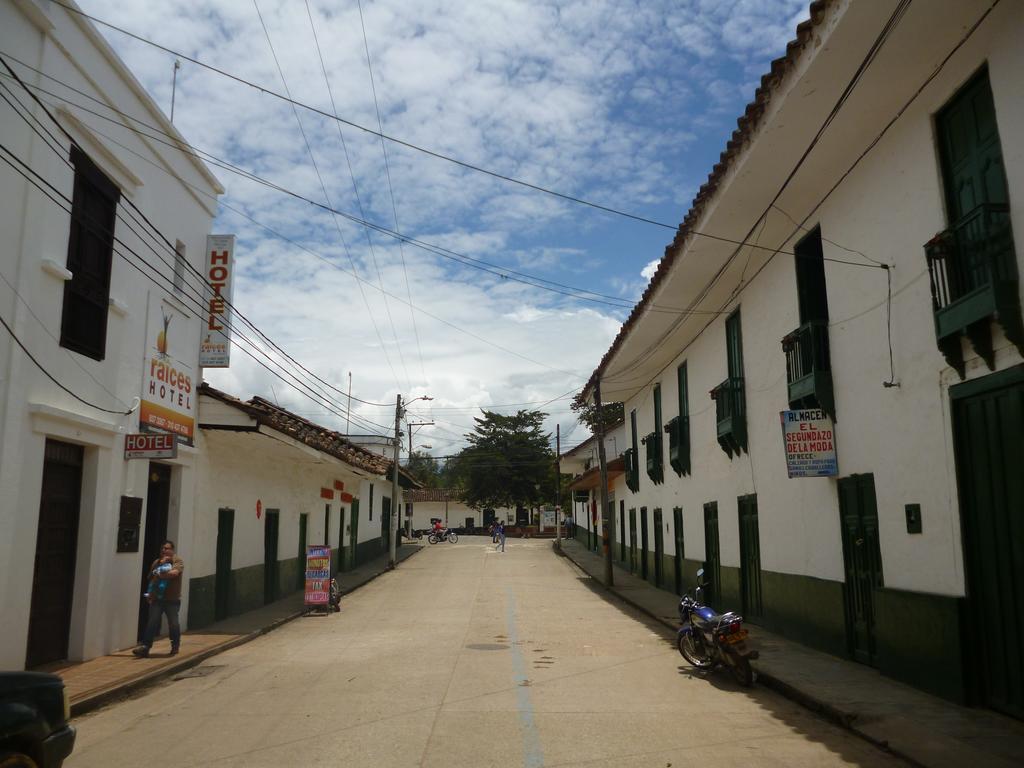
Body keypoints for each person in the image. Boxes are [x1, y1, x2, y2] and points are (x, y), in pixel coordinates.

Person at [133, 540, 184, 658]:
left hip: (172, 599)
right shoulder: (157, 562)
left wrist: (160, 574)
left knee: (173, 623)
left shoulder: (178, 561)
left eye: (167, 548)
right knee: (152, 622)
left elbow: (174, 574)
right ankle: (145, 647)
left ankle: (175, 645)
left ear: (172, 550)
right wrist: (150, 593)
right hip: (157, 598)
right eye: (162, 549)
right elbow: (151, 577)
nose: (164, 551)